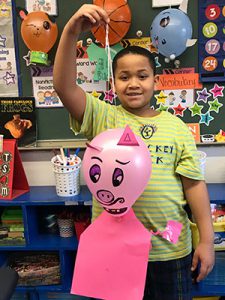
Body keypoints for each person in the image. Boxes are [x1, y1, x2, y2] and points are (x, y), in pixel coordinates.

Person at [53, 4, 215, 300]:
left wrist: (206, 241)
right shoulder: (103, 117)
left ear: (156, 81)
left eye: (142, 75)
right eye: (124, 77)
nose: (134, 84)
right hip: (115, 252)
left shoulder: (177, 127)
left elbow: (194, 184)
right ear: (114, 82)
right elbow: (64, 87)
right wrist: (71, 30)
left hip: (169, 250)